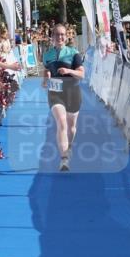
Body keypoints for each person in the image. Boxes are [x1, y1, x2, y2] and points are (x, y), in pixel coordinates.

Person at [42, 23, 85, 172]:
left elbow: (81, 74)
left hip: (72, 92)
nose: (59, 37)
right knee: (61, 123)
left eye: (62, 34)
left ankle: (69, 146)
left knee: (71, 128)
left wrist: (68, 70)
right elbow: (46, 71)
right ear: (52, 37)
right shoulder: (47, 55)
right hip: (55, 93)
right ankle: (64, 159)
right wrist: (45, 79)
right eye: (56, 34)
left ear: (66, 37)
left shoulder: (74, 53)